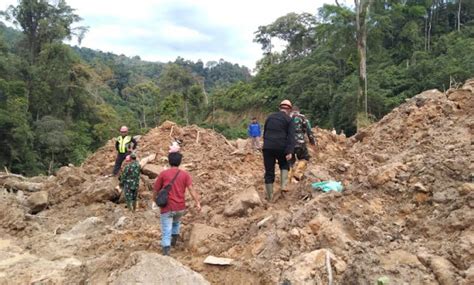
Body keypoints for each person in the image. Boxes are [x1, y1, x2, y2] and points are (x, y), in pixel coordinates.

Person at [153, 151, 201, 256]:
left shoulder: (163, 174)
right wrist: (197, 202)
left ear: (169, 162)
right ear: (180, 162)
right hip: (180, 207)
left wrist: (154, 200)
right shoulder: (185, 175)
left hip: (167, 207)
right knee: (176, 223)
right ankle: (174, 242)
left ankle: (166, 252)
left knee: (166, 229)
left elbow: (155, 189)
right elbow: (191, 189)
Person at [262, 99, 296, 201]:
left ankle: (270, 198)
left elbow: (265, 133)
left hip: (268, 147)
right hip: (281, 147)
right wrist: (290, 151)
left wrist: (266, 144)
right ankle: (283, 187)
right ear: (289, 110)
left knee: (269, 172)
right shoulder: (289, 120)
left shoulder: (269, 117)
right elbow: (291, 137)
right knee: (284, 164)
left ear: (279, 108)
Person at [289, 106, 316, 182]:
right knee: (304, 158)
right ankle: (297, 173)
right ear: (299, 111)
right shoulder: (303, 118)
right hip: (300, 142)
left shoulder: (287, 118)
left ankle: (287, 179)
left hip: (289, 143)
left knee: (289, 161)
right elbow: (309, 130)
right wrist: (312, 142)